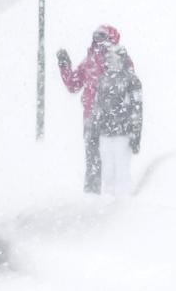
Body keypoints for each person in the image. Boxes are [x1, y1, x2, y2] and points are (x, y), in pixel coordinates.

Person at [57, 25, 134, 194]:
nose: (98, 40)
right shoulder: (89, 61)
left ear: (111, 39)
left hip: (112, 117)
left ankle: (111, 194)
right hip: (93, 116)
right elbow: (73, 84)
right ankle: (94, 194)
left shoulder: (119, 59)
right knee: (94, 156)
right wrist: (64, 65)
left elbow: (130, 84)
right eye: (96, 36)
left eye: (102, 36)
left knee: (109, 156)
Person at [91, 45, 143, 196]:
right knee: (107, 173)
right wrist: (95, 128)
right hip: (105, 133)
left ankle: (123, 203)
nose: (109, 61)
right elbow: (97, 105)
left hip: (123, 134)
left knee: (122, 170)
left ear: (121, 58)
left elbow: (137, 108)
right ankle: (109, 203)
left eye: (112, 57)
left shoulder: (131, 80)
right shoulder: (103, 79)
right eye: (108, 58)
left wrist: (136, 134)